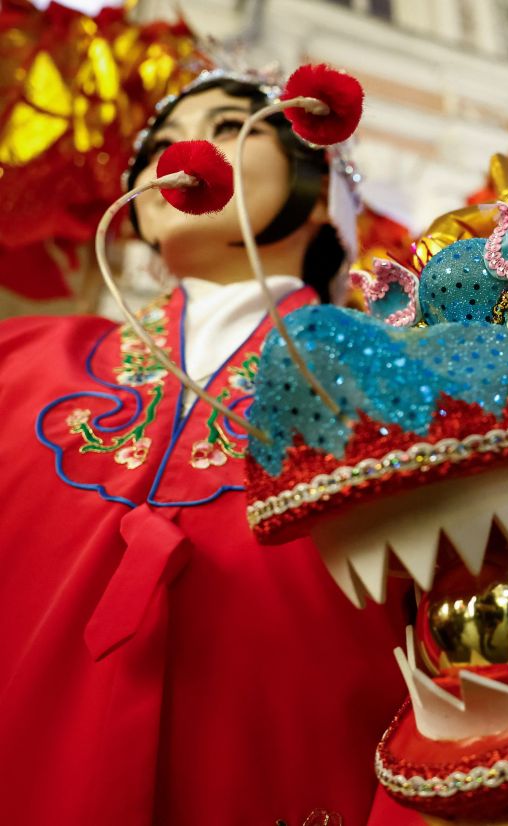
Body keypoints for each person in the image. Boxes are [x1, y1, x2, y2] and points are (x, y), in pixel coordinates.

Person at [0, 70, 404, 825]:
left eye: (226, 127)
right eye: (157, 142)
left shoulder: (410, 382)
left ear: (320, 195)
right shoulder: (16, 362)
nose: (179, 151)